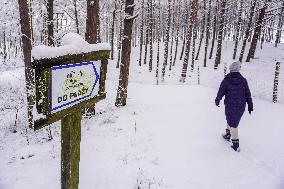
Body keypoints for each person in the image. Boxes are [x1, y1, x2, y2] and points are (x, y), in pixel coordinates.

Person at [215, 61, 253, 152]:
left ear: (231, 70)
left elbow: (221, 91)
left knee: (233, 124)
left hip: (230, 104)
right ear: (238, 69)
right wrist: (250, 105)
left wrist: (217, 100)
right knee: (231, 120)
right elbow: (247, 93)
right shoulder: (243, 80)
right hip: (240, 105)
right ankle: (228, 135)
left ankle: (236, 145)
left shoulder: (226, 80)